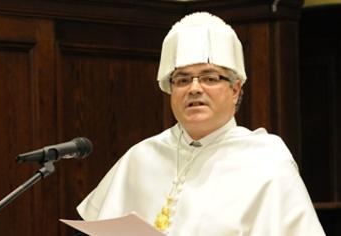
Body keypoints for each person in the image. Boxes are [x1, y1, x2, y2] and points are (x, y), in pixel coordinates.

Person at [76, 12, 325, 235]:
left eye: (209, 78)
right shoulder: (140, 157)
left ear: (235, 89)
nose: (195, 89)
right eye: (182, 80)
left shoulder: (267, 160)